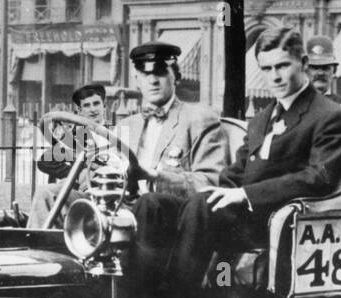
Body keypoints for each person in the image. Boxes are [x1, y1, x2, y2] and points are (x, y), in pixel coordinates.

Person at [134, 28, 341, 288]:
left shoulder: (328, 114)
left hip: (274, 216)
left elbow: (318, 178)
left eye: (282, 66)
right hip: (243, 213)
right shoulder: (261, 118)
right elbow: (235, 172)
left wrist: (245, 194)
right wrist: (222, 190)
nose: (275, 77)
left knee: (202, 206)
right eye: (267, 69)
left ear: (303, 63)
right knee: (152, 204)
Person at [114, 42, 228, 198]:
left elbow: (211, 181)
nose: (152, 80)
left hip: (167, 211)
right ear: (137, 80)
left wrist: (155, 177)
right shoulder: (125, 125)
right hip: (122, 206)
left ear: (176, 77)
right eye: (145, 74)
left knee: (148, 202)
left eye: (160, 72)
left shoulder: (199, 120)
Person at [29, 82, 110, 226]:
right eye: (86, 105)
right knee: (46, 192)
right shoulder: (78, 135)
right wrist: (78, 173)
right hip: (87, 191)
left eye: (96, 103)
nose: (92, 110)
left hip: (114, 191)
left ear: (104, 105)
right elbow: (45, 161)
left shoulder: (117, 131)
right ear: (79, 110)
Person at [305, 34, 341, 104]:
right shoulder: (293, 105)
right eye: (315, 68)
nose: (321, 73)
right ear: (305, 71)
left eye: (325, 68)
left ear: (334, 71)